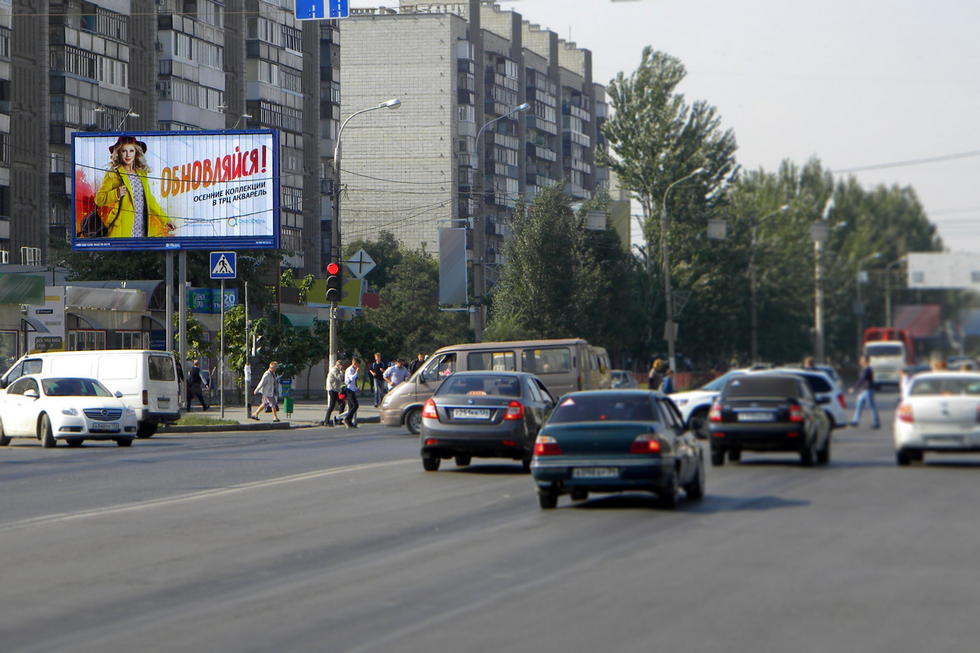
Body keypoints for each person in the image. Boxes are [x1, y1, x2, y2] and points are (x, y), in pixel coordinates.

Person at [94, 136, 175, 238]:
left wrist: (166, 220)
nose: (128, 155)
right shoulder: (113, 174)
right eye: (124, 151)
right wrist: (116, 194)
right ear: (119, 153)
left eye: (131, 151)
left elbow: (150, 200)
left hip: (142, 227)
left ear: (136, 153)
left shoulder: (142, 173)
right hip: (122, 228)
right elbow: (99, 200)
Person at [849, 355, 880, 429]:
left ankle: (876, 423)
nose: (860, 361)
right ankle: (855, 421)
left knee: (871, 406)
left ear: (865, 361)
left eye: (861, 360)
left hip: (868, 390)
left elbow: (862, 379)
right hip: (863, 390)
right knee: (859, 405)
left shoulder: (868, 369)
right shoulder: (864, 369)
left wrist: (854, 387)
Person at [322, 359, 346, 427]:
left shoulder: (337, 370)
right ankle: (326, 421)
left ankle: (339, 419)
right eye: (341, 365)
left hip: (336, 390)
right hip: (332, 390)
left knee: (342, 404)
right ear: (338, 365)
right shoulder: (334, 370)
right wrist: (341, 372)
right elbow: (340, 378)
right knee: (332, 406)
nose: (342, 367)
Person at [343, 358, 361, 428]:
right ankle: (346, 419)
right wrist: (356, 372)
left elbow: (353, 382)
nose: (358, 366)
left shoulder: (353, 370)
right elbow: (351, 378)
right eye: (358, 365)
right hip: (349, 390)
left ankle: (349, 422)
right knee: (355, 405)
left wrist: (356, 388)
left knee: (351, 407)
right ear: (354, 364)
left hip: (352, 389)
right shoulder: (350, 370)